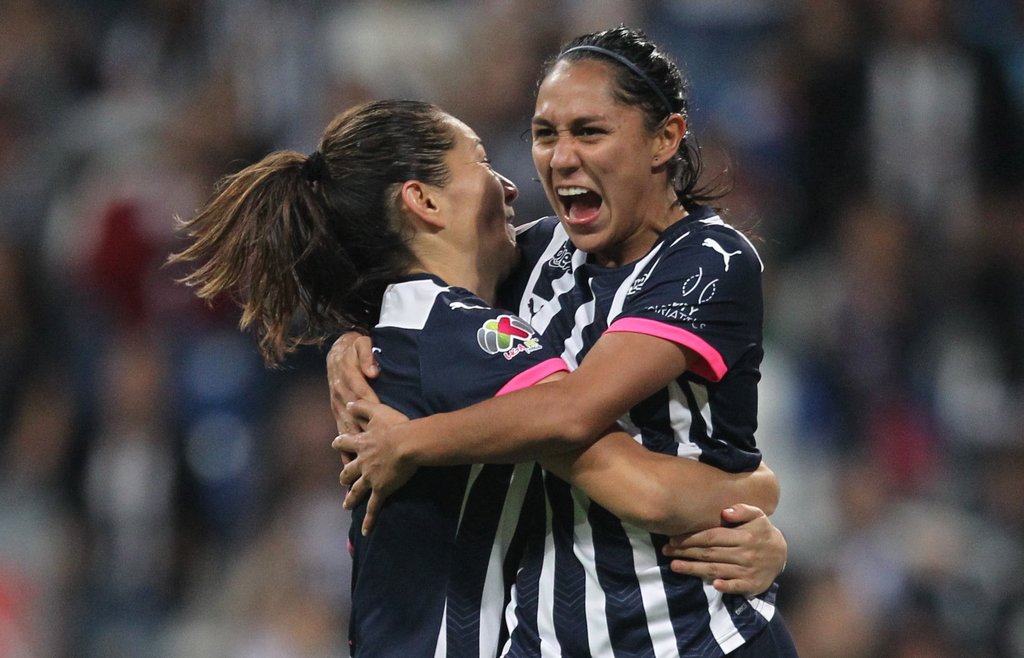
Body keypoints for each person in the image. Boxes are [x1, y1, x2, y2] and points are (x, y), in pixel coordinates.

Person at [168, 99, 782, 657]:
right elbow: (645, 492)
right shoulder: (469, 339)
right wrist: (758, 493)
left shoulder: (408, 333)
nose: (509, 185)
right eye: (482, 162)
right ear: (424, 201)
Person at [331, 27, 798, 656]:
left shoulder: (709, 261)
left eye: (590, 131)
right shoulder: (538, 251)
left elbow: (572, 412)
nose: (560, 157)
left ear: (665, 139)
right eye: (546, 134)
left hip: (693, 635)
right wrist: (351, 338)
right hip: (547, 640)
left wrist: (412, 441)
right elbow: (427, 283)